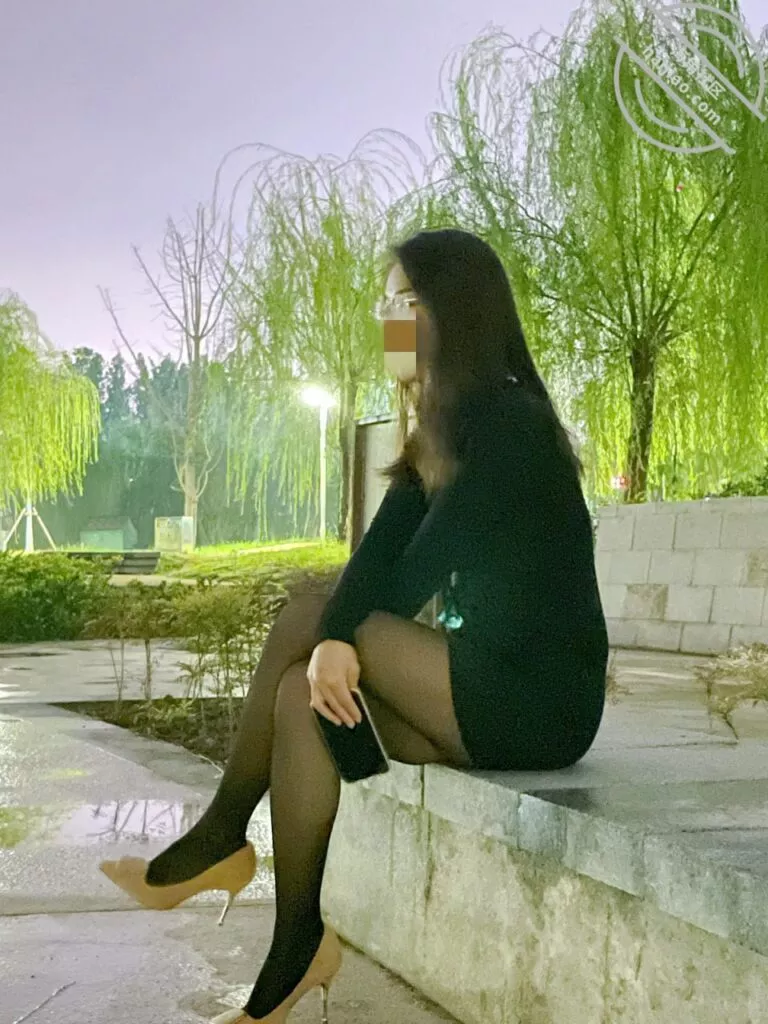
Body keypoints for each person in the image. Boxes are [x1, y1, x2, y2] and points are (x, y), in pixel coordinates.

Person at [98, 228, 608, 1023]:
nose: (387, 321)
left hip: (539, 703)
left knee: (317, 620)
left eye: (402, 303)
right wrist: (334, 639)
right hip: (473, 683)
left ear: (451, 313)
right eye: (386, 305)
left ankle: (222, 836)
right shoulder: (441, 428)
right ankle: (296, 950)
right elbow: (373, 564)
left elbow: (415, 574)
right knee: (301, 701)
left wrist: (338, 638)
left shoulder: (511, 425)